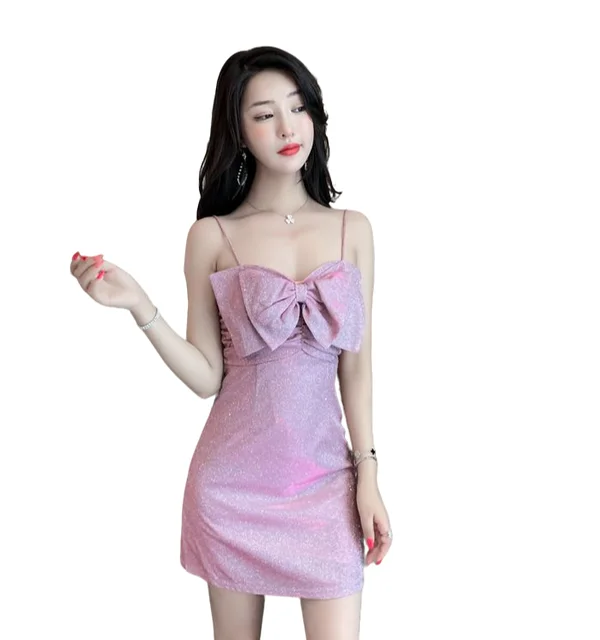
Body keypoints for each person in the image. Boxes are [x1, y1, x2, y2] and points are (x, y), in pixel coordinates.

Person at [70, 45, 393, 640]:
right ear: (239, 131)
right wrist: (139, 304)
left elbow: (358, 368)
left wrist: (368, 474)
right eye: (265, 114)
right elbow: (207, 379)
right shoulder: (211, 236)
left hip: (328, 484)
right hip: (231, 488)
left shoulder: (354, 230)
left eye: (298, 108)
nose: (288, 127)